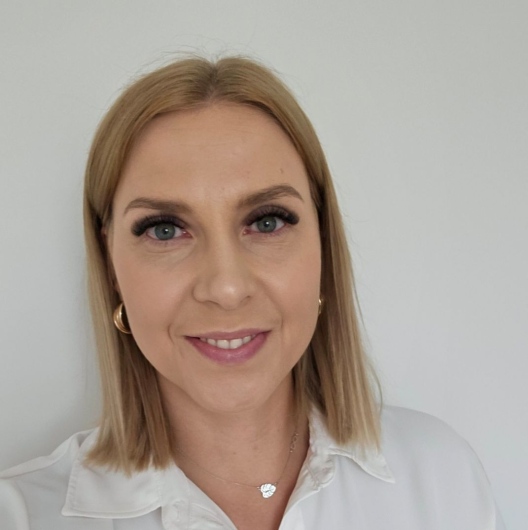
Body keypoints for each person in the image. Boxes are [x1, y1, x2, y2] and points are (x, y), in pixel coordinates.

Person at [0, 56, 505, 529]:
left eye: (267, 222)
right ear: (110, 264)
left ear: (323, 247)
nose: (226, 287)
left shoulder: (441, 480)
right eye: (165, 230)